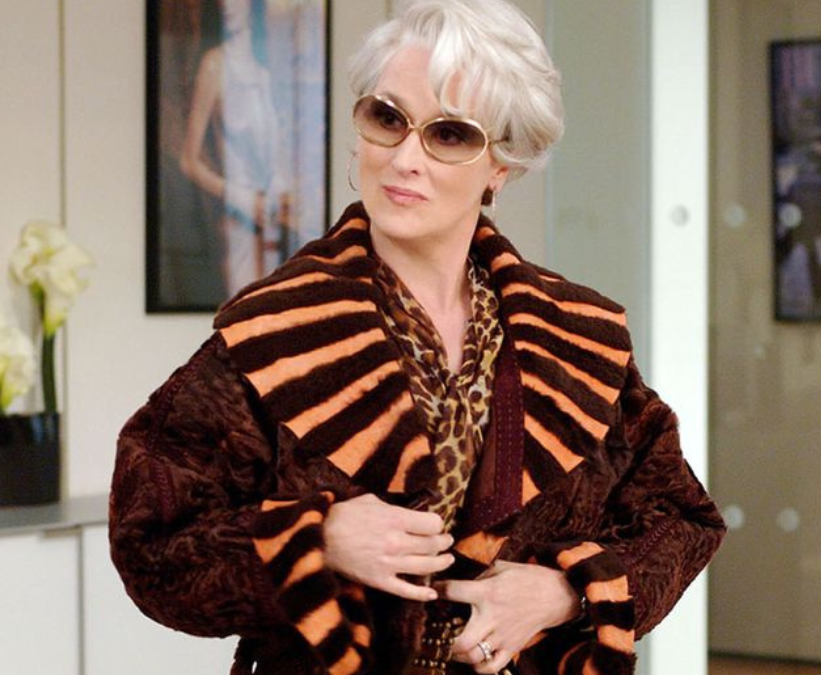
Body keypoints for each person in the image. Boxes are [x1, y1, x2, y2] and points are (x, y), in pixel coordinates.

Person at [111, 1, 726, 674]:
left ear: (502, 165)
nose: (405, 158)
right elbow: (154, 545)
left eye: (450, 134)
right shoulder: (274, 332)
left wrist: (565, 592)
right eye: (387, 118)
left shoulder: (575, 336)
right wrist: (315, 539)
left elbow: (680, 518)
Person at [179, 0, 291, 295]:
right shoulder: (214, 65)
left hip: (272, 222)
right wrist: (240, 198)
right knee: (245, 309)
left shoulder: (264, 70)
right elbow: (189, 161)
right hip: (237, 222)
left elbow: (278, 154)